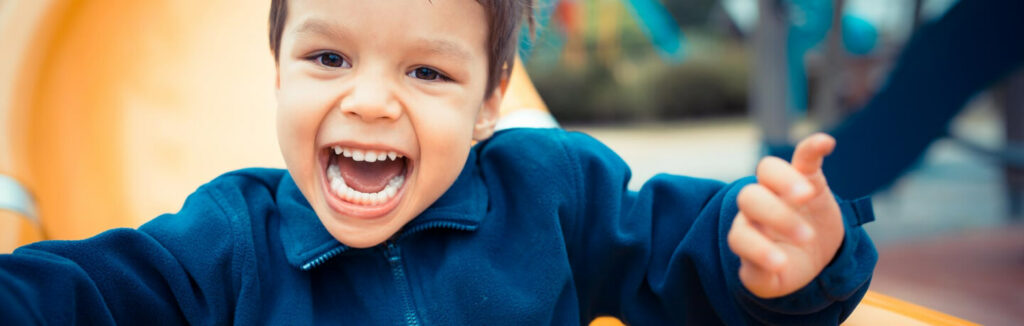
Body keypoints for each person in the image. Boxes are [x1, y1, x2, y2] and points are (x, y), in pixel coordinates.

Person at [0, 0, 876, 324]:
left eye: (425, 71)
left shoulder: (553, 195)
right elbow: (99, 290)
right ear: (277, 71)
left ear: (490, 100)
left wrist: (785, 259)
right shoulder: (234, 239)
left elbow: (677, 252)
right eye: (328, 59)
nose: (372, 101)